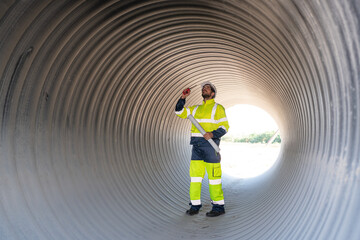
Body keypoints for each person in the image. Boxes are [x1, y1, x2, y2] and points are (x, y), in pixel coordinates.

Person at [175, 81, 230, 217]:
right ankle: (195, 206)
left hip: (211, 147)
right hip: (197, 147)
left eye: (207, 88)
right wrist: (183, 97)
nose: (205, 89)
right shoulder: (195, 109)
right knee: (195, 178)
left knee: (214, 178)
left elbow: (225, 127)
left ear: (212, 93)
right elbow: (179, 112)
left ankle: (218, 207)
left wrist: (212, 134)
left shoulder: (218, 108)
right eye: (203, 88)